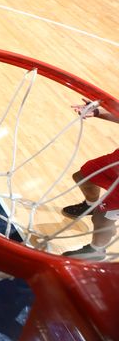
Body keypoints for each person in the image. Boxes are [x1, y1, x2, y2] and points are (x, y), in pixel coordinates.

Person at [61, 99, 119, 261]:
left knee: (102, 217)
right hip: (115, 161)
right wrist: (97, 112)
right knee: (83, 176)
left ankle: (96, 251)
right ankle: (90, 205)